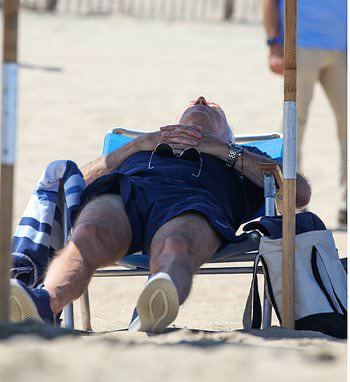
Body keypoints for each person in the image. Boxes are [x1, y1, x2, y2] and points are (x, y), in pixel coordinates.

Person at [9, 96, 311, 333]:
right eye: (193, 103)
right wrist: (139, 144)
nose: (202, 100)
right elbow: (72, 187)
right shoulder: (141, 148)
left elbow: (299, 194)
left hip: (198, 202)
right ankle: (43, 304)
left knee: (176, 245)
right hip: (129, 191)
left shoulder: (244, 159)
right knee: (88, 233)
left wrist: (221, 151)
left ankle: (150, 312)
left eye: (213, 107)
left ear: (228, 136)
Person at [262, 0, 347, 225]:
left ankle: (347, 203)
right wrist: (273, 44)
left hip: (344, 46)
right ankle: (291, 198)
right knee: (293, 123)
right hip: (300, 45)